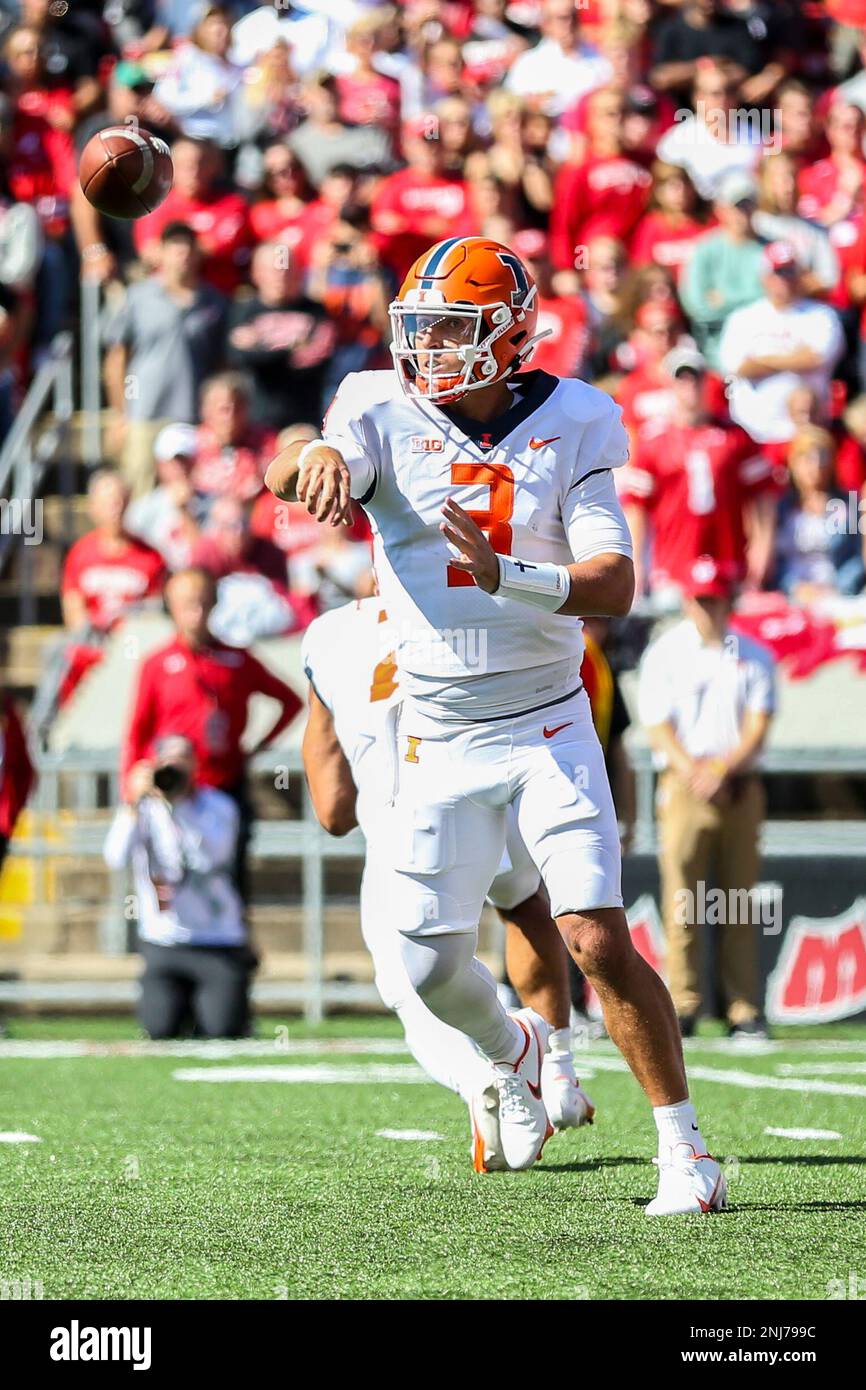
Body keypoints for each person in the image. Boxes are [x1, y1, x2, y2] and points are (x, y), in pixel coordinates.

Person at [265, 234, 726, 1216]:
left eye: (449, 329)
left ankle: (684, 1153)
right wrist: (304, 459)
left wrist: (505, 575)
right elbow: (311, 455)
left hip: (549, 721)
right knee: (428, 968)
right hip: (434, 733)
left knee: (593, 935)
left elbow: (613, 582)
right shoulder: (374, 406)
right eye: (419, 327)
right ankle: (516, 1044)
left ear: (509, 336)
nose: (426, 346)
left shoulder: (576, 418)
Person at [302, 596, 594, 1169]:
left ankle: (489, 1071)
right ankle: (558, 1066)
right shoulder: (475, 597)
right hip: (496, 782)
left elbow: (333, 810)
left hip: (405, 819)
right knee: (524, 902)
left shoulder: (328, 633)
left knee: (410, 985)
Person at [637, 558, 776, 1039]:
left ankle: (743, 1007)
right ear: (687, 602)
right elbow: (658, 725)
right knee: (683, 901)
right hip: (685, 787)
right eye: (700, 600)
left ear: (729, 601)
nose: (707, 609)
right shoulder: (666, 652)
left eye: (715, 599)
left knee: (737, 900)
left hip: (737, 786)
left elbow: (758, 724)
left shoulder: (754, 654)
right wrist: (694, 771)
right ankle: (684, 1001)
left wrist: (719, 769)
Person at [122, 567, 303, 901]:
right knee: (168, 870)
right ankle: (167, 940)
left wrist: (258, 745)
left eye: (204, 602)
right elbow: (137, 730)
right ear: (171, 606)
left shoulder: (236, 659)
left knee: (229, 869)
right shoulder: (157, 664)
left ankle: (232, 940)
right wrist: (130, 788)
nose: (196, 611)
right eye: (187, 602)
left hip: (223, 785)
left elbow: (290, 701)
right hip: (172, 789)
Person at [104, 735, 255, 1039]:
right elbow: (115, 857)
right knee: (160, 1031)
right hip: (164, 943)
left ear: (195, 765)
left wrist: (178, 809)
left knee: (223, 1031)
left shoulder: (218, 805)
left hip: (217, 943)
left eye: (184, 758)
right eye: (168, 760)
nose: (176, 767)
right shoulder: (143, 810)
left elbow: (211, 858)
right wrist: (132, 804)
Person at [621, 348, 779, 603]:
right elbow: (637, 508)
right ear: (669, 385)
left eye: (695, 378)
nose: (689, 386)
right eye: (681, 379)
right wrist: (636, 562)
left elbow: (762, 496)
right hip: (673, 566)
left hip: (729, 563)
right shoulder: (653, 440)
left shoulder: (735, 437)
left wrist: (762, 549)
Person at [103, 221, 227, 496]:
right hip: (144, 412)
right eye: (174, 247)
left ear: (197, 254)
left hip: (194, 416)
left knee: (193, 495)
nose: (181, 254)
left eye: (187, 247)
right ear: (160, 252)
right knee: (139, 493)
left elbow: (221, 365)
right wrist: (119, 413)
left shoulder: (214, 303)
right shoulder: (138, 297)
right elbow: (116, 358)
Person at [719, 242, 845, 445]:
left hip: (807, 435)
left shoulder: (822, 315)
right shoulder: (743, 318)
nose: (785, 279)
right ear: (764, 276)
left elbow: (816, 358)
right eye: (778, 272)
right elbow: (739, 368)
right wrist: (794, 358)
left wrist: (762, 361)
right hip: (754, 434)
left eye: (790, 271)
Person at [226, 241, 337, 431]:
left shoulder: (315, 310)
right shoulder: (243, 311)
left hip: (304, 421)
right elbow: (240, 357)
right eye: (274, 270)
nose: (281, 276)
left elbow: (317, 361)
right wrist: (292, 347)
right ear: (256, 273)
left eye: (287, 269)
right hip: (256, 424)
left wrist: (263, 346)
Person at [680, 170, 765, 369]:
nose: (742, 212)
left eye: (748, 204)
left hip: (762, 340)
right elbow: (697, 307)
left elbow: (779, 300)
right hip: (713, 347)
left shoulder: (769, 249)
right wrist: (756, 298)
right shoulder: (704, 250)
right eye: (736, 206)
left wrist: (724, 298)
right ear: (721, 209)